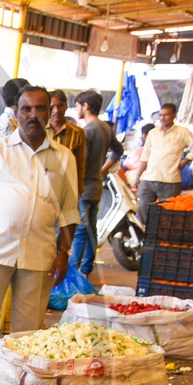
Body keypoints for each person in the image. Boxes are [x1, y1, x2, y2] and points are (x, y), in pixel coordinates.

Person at [0, 86, 80, 361]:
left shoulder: (64, 158)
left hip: (39, 254)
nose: (33, 115)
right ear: (16, 113)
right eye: (26, 109)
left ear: (51, 112)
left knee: (29, 335)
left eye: (40, 108)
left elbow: (69, 211)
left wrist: (63, 253)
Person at [70, 90, 119, 274]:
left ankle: (73, 270)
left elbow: (82, 160)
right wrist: (101, 170)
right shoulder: (105, 127)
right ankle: (87, 267)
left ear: (86, 106)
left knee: (81, 230)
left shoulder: (88, 130)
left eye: (77, 106)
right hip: (96, 185)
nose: (76, 110)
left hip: (85, 186)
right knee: (90, 228)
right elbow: (117, 150)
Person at [133, 102, 193, 233]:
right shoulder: (152, 133)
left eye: (166, 115)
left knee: (168, 214)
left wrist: (185, 161)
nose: (163, 118)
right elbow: (145, 156)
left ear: (174, 116)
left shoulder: (182, 132)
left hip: (170, 180)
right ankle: (143, 239)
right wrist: (137, 176)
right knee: (143, 211)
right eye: (161, 115)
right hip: (149, 179)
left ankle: (164, 240)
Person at [48, 90, 87, 194]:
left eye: (60, 106)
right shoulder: (39, 131)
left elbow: (80, 166)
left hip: (66, 190)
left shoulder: (77, 133)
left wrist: (78, 192)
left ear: (66, 106)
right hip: (43, 190)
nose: (56, 110)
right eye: (52, 107)